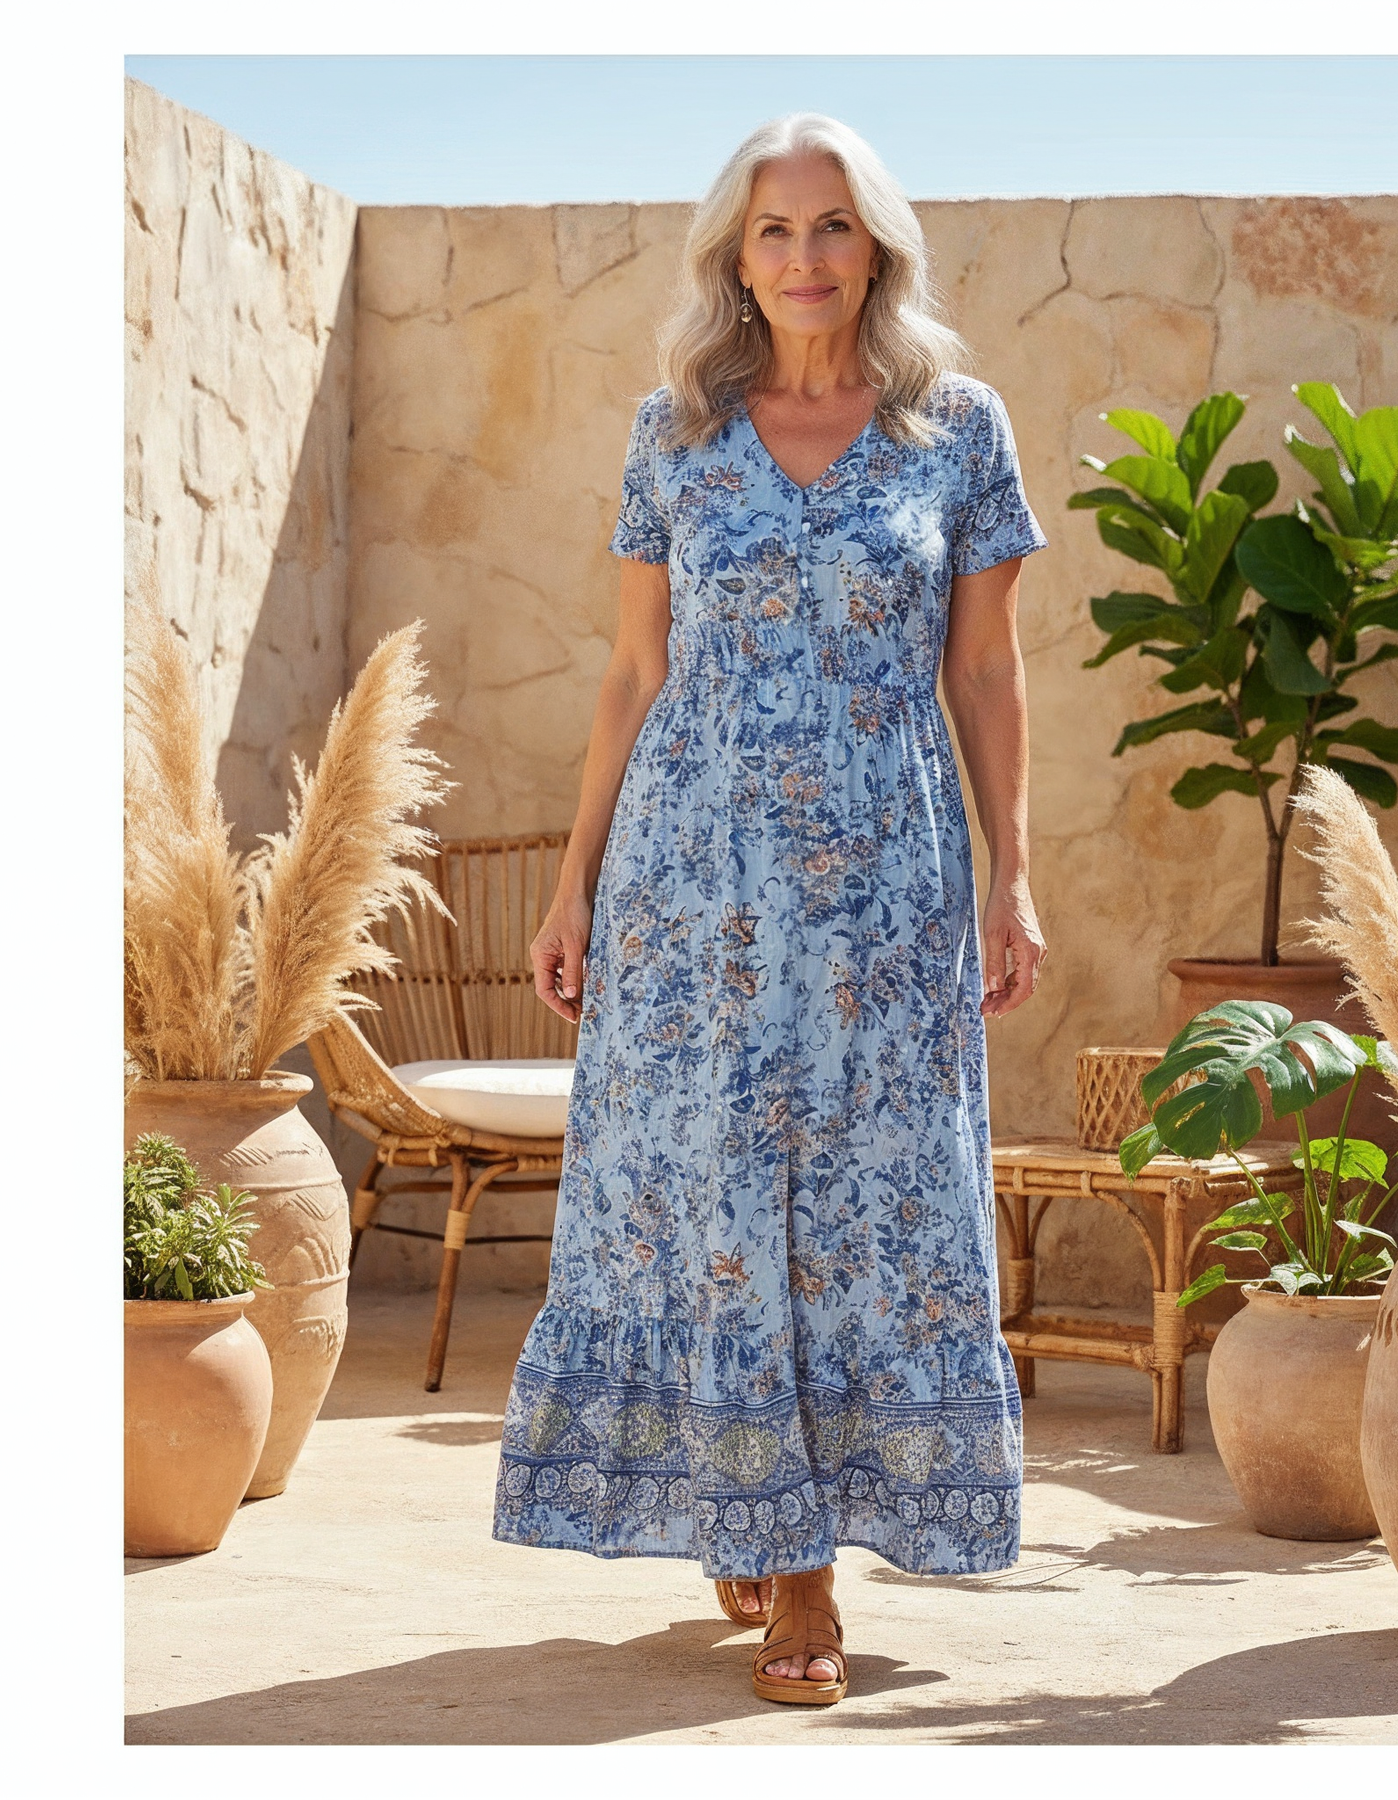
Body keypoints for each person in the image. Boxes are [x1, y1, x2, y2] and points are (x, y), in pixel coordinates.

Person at [492, 111, 1049, 1708]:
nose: (804, 257)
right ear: (734, 258)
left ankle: (792, 1531)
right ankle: (780, 1548)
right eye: (773, 230)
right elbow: (633, 671)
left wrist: (1012, 870)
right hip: (692, 887)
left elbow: (985, 672)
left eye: (832, 225)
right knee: (714, 1204)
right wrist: (574, 883)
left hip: (884, 885)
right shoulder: (673, 433)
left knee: (873, 1200)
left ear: (877, 248)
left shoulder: (958, 429)